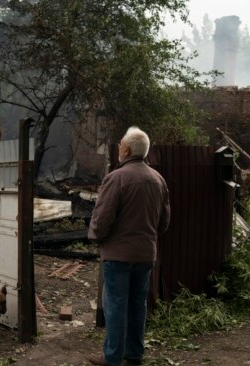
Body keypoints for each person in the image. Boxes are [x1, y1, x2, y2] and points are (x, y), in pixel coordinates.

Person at [87, 126, 170, 366]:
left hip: (117, 255)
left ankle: (112, 358)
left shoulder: (116, 177)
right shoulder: (158, 180)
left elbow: (102, 218)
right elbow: (164, 221)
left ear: (125, 149)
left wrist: (96, 238)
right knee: (137, 304)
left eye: (121, 146)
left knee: (115, 305)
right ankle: (134, 354)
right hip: (145, 254)